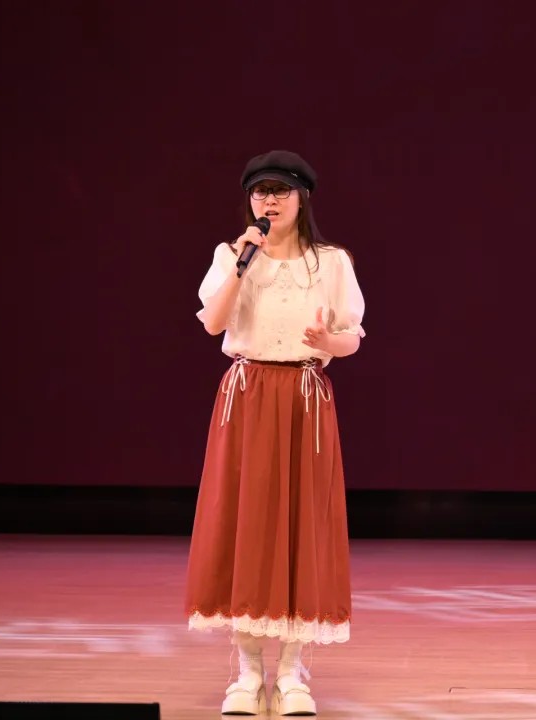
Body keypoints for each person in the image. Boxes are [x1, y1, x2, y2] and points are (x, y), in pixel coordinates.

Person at [184, 149, 365, 716]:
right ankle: (246, 672)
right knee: (245, 525)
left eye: (280, 191)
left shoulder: (330, 262)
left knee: (300, 526)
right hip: (248, 395)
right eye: (260, 191)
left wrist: (328, 343)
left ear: (301, 198)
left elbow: (351, 336)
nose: (270, 201)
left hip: (304, 399)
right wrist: (243, 265)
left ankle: (290, 672)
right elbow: (214, 323)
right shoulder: (231, 255)